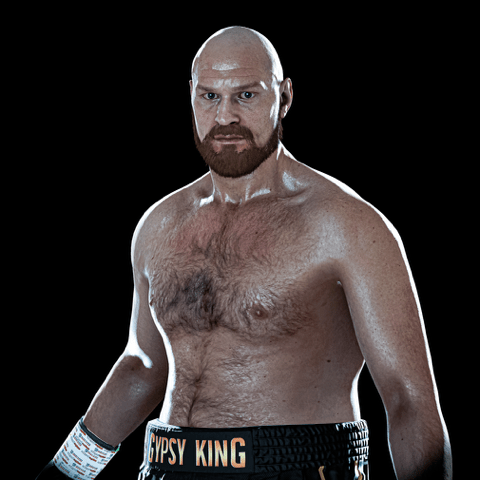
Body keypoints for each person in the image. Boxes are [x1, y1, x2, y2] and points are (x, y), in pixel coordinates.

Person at [37, 26, 452, 480]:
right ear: (191, 96)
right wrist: (63, 474)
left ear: (284, 97)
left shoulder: (345, 225)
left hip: (297, 468)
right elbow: (143, 366)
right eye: (210, 97)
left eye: (247, 96)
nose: (225, 116)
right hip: (166, 467)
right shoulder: (160, 224)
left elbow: (407, 399)